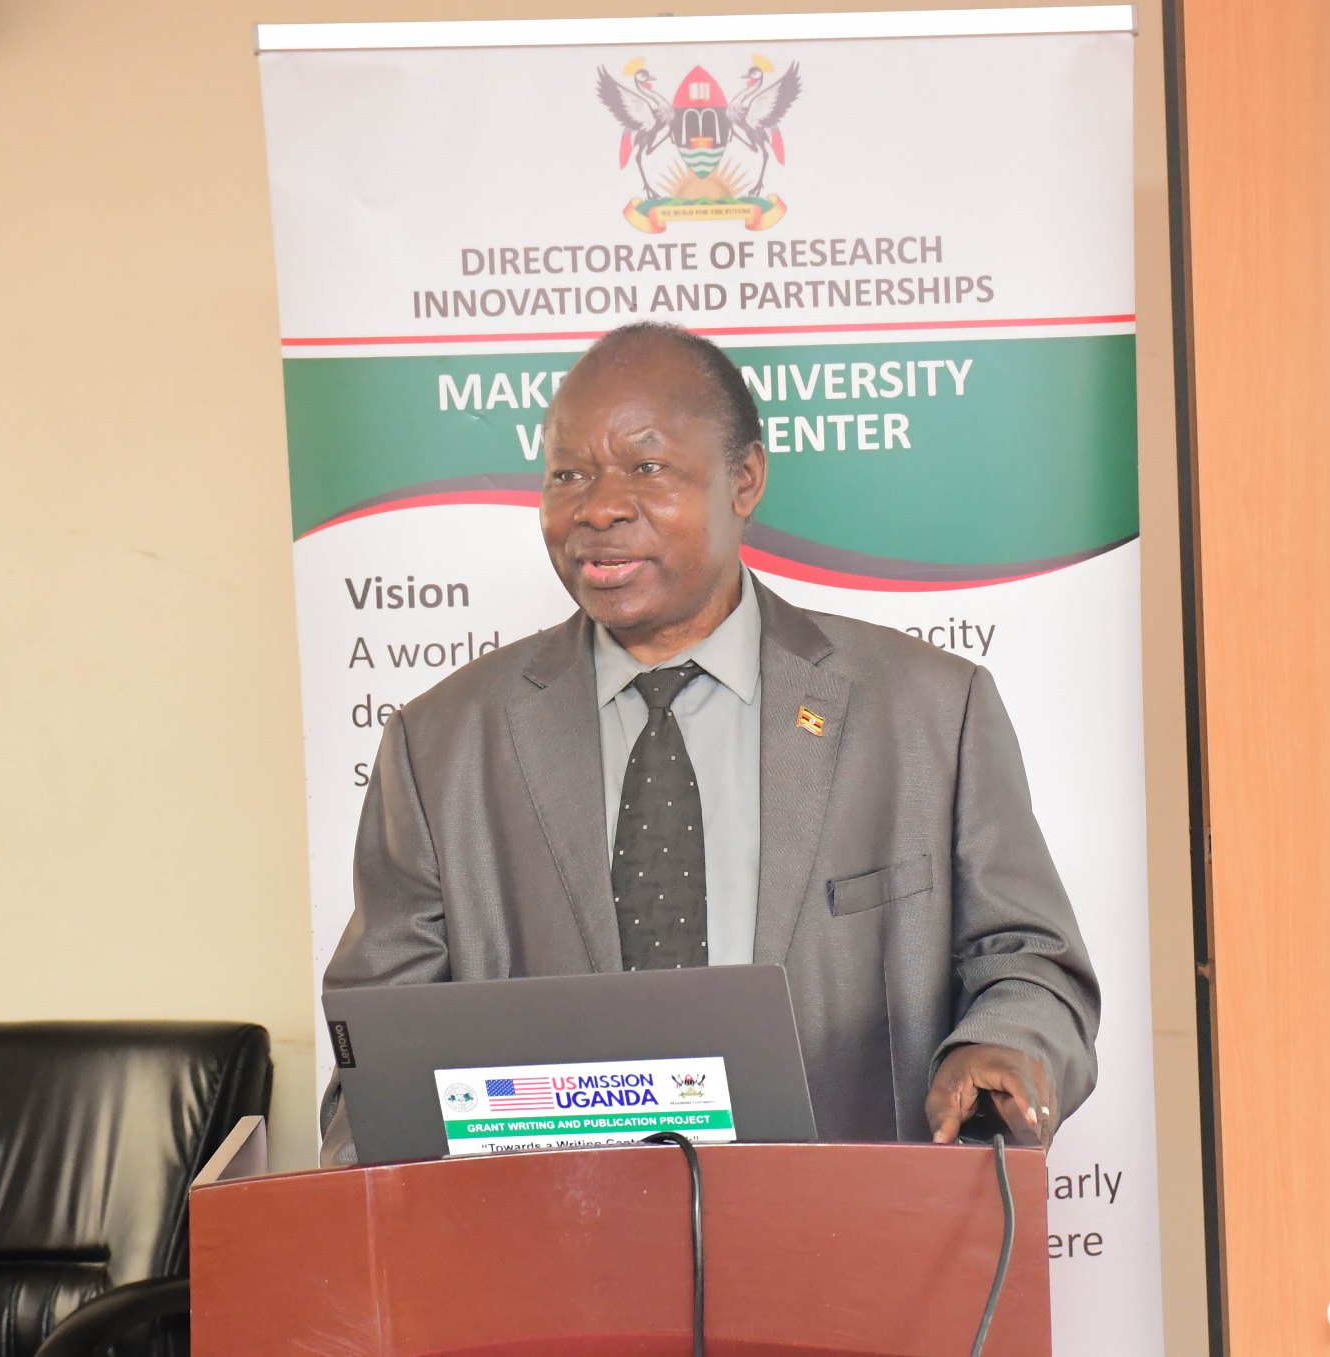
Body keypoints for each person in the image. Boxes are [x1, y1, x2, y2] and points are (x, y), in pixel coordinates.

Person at [319, 322, 1098, 1165]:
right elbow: (378, 1063)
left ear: (744, 479)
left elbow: (1029, 962)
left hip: (851, 1248)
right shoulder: (439, 746)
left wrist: (1004, 1047)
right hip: (556, 1260)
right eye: (568, 474)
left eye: (645, 468)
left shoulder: (931, 712)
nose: (599, 507)